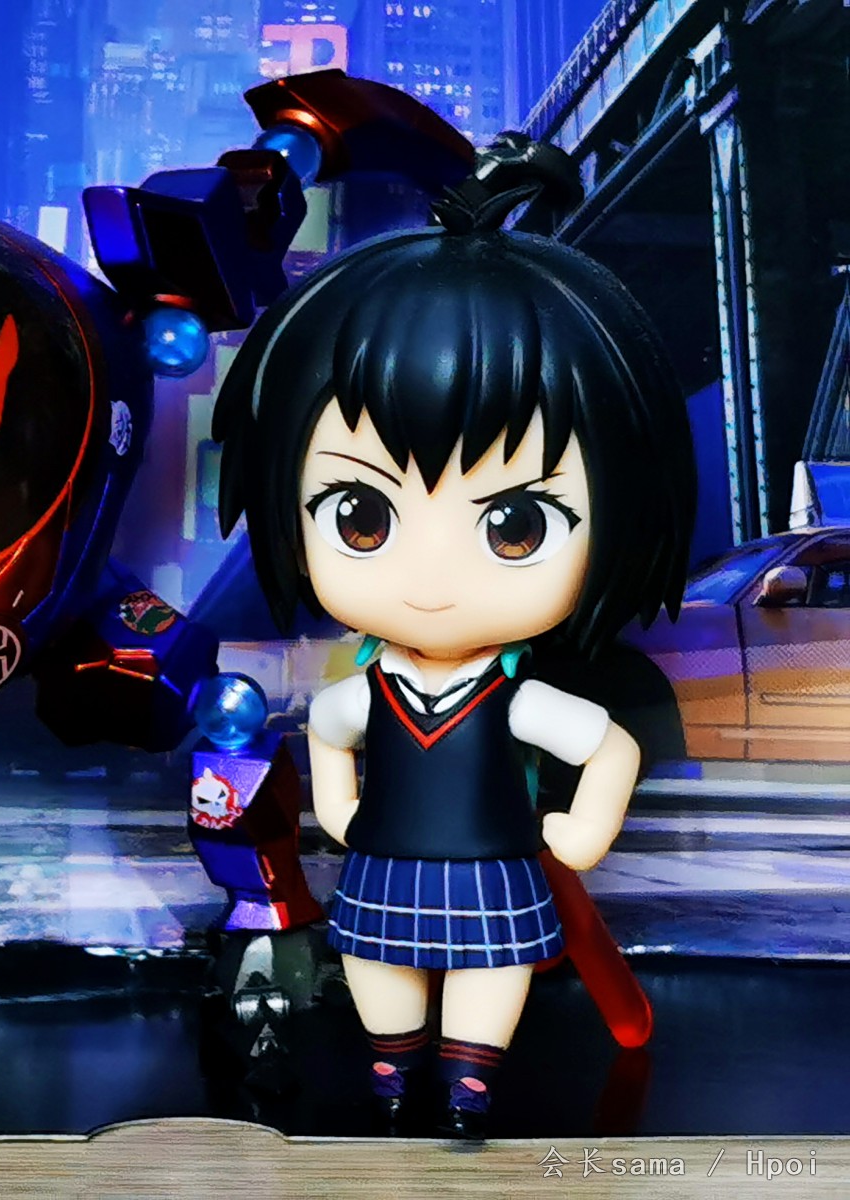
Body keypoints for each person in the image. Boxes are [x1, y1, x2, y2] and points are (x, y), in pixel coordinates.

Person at [211, 135, 696, 1139]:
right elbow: (329, 733)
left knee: (491, 970)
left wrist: (581, 831)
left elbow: (609, 748)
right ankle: (395, 1072)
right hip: (388, 862)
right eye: (360, 517)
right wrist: (341, 808)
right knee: (374, 962)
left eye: (513, 526)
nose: (431, 581)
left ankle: (469, 1084)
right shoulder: (369, 691)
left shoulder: (516, 697)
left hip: (494, 867)